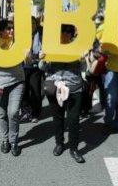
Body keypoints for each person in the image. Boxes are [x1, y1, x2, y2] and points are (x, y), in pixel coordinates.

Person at [43, 24, 86, 163]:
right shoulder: (51, 47)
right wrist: (42, 58)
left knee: (73, 119)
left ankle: (74, 148)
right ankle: (59, 143)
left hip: (74, 87)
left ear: (72, 34)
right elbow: (41, 67)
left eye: (69, 31)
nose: (66, 34)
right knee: (58, 117)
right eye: (63, 31)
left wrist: (85, 58)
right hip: (55, 86)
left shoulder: (78, 48)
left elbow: (85, 69)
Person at [0, 18, 27, 156]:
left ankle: (14, 141)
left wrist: (27, 55)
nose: (11, 30)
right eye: (8, 28)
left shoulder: (18, 43)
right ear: (0, 31)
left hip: (17, 81)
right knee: (2, 114)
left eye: (12, 28)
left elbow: (28, 60)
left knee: (13, 112)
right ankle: (5, 140)